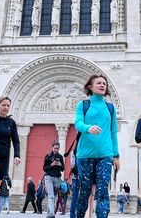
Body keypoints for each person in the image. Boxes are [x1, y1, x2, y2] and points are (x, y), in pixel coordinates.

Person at [74, 73, 120, 218]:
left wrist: (116, 156)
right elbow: (78, 123)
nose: (102, 85)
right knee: (84, 191)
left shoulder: (110, 108)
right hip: (85, 155)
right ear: (90, 87)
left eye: (104, 84)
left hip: (105, 156)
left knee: (102, 192)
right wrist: (88, 128)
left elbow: (113, 132)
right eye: (99, 83)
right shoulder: (83, 105)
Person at [0, 96, 21, 215]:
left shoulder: (11, 123)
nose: (6, 107)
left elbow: (16, 141)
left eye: (8, 105)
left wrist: (17, 155)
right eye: (3, 105)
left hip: (4, 158)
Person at [43, 139, 65, 217]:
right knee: (51, 195)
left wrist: (59, 165)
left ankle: (49, 213)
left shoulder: (60, 157)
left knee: (54, 196)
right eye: (55, 148)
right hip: (49, 177)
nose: (56, 150)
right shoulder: (48, 156)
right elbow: (44, 168)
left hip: (57, 178)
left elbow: (63, 169)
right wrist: (51, 165)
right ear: (52, 147)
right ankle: (52, 213)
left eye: (57, 148)